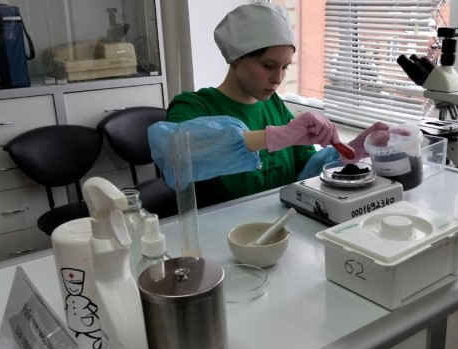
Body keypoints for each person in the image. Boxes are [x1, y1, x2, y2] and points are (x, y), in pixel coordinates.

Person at [149, 2, 389, 207]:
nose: (278, 78)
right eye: (268, 66)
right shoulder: (194, 105)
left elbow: (305, 171)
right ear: (236, 58)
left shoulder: (274, 104)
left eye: (285, 67)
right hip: (225, 234)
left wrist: (345, 155)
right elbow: (173, 153)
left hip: (281, 226)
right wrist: (272, 138)